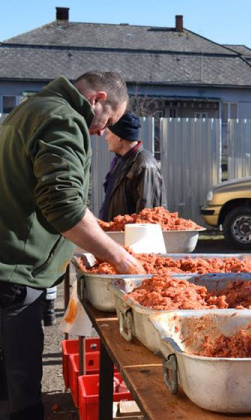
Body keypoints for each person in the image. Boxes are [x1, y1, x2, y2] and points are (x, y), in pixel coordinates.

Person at [0, 71, 145, 420]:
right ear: (96, 100)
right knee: (21, 383)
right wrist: (117, 256)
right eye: (108, 120)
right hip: (16, 270)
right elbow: (62, 205)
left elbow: (63, 199)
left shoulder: (31, 108)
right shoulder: (62, 118)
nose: (101, 132)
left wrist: (99, 232)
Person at [98, 111, 166, 222]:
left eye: (108, 133)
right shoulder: (121, 161)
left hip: (132, 237)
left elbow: (147, 216)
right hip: (120, 236)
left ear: (119, 137)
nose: (106, 138)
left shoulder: (144, 164)